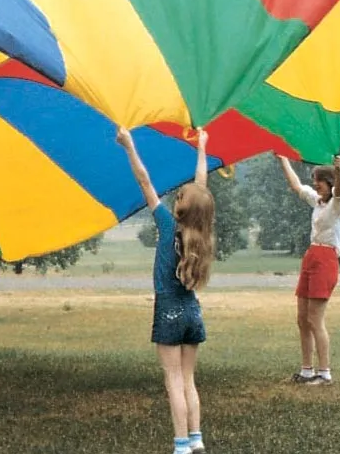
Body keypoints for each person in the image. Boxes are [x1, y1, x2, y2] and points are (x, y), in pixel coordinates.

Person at [117, 126, 214, 454]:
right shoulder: (200, 234)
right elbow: (202, 186)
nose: (178, 194)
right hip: (192, 312)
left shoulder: (168, 224)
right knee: (188, 379)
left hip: (169, 311)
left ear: (183, 207)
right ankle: (197, 437)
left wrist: (129, 146)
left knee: (172, 379)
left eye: (182, 195)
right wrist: (202, 147)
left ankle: (181, 445)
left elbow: (144, 180)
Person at [277, 154, 340, 386]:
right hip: (311, 255)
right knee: (302, 319)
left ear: (329, 181)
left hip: (326, 258)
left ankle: (324, 373)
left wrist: (338, 169)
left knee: (315, 319)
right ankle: (307, 370)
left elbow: (339, 190)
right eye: (315, 180)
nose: (315, 184)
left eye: (319, 181)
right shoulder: (317, 201)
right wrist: (283, 159)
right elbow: (296, 186)